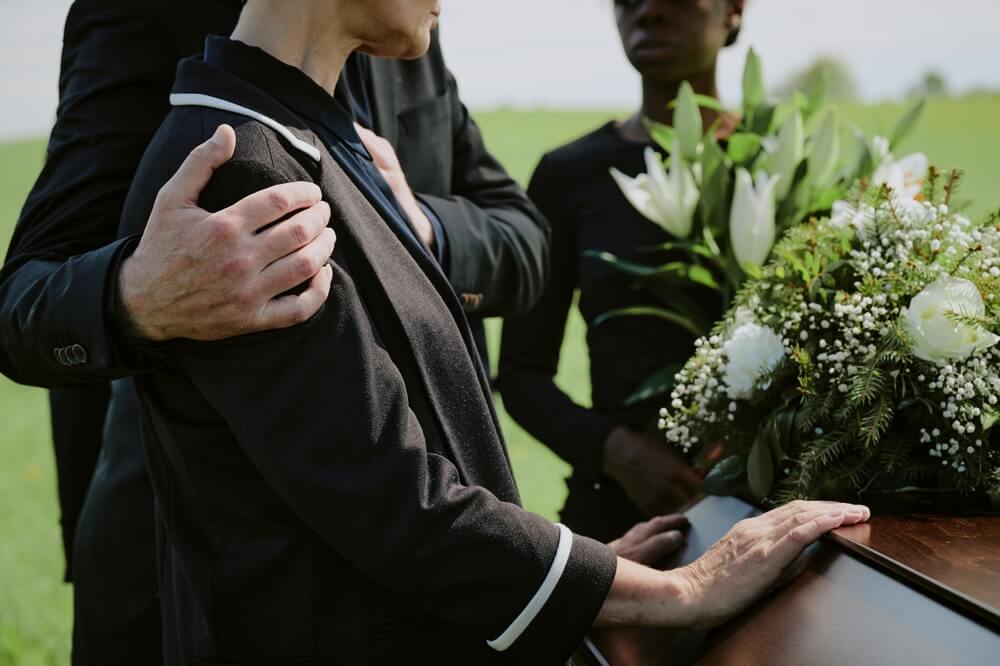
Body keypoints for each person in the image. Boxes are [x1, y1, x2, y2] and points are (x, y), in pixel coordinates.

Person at [117, 1, 868, 664]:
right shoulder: (246, 175)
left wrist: (591, 571)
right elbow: (389, 500)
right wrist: (685, 590)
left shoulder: (316, 142)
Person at [0, 0, 549, 662]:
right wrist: (136, 296)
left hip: (442, 537)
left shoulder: (410, 31)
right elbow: (20, 305)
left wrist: (414, 226)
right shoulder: (140, 12)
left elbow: (526, 240)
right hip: (198, 572)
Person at [499, 0, 745, 543]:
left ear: (734, 9)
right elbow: (521, 375)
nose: (649, 11)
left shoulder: (787, 166)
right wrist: (617, 452)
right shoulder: (570, 175)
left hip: (770, 509)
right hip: (623, 515)